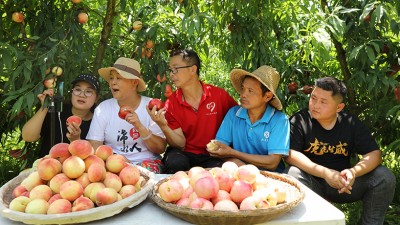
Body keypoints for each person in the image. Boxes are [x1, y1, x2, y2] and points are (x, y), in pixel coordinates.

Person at [284, 77, 396, 225]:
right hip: (312, 184)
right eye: (313, 98)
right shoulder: (300, 120)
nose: (315, 105)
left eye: (323, 102)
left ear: (339, 107)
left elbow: (374, 154)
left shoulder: (350, 123)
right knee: (292, 174)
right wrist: (325, 173)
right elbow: (290, 155)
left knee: (384, 176)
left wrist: (353, 172)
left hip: (344, 185)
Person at [147, 49, 237, 173]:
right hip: (184, 153)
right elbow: (180, 144)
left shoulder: (218, 95)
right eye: (170, 70)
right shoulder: (171, 104)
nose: (171, 74)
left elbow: (238, 120)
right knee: (175, 163)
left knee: (219, 171)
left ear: (193, 69)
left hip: (212, 154)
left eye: (176, 69)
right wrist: (163, 125)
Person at [86, 57, 166, 173]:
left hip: (147, 165)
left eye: (118, 78)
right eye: (111, 78)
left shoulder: (150, 107)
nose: (113, 82)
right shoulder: (103, 108)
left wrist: (139, 126)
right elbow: (94, 144)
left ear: (134, 82)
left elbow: (160, 148)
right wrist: (116, 159)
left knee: (142, 178)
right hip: (113, 163)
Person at [207, 65, 289, 172]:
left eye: (250, 91)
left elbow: (272, 162)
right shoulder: (234, 114)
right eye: (243, 89)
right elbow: (219, 148)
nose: (243, 95)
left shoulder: (279, 121)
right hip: (239, 173)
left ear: (267, 96)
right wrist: (235, 162)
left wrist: (233, 153)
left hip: (271, 177)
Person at [22, 74, 101, 158]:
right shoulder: (56, 111)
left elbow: (93, 158)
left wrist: (76, 141)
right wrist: (44, 107)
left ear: (96, 98)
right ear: (72, 93)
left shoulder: (99, 122)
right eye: (77, 90)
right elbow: (28, 137)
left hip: (76, 170)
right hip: (47, 167)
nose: (82, 95)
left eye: (88, 91)